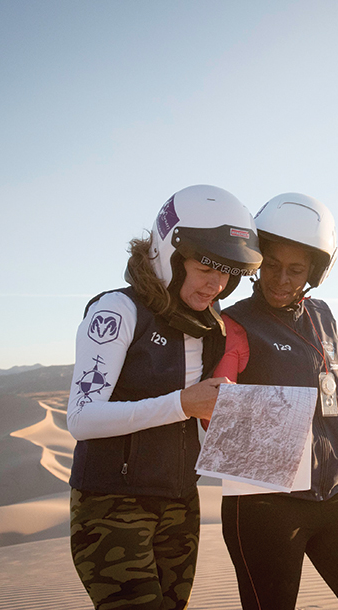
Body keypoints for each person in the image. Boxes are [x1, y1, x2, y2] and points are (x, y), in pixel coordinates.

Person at [66, 184, 262, 610]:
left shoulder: (212, 329)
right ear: (170, 251)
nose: (216, 283)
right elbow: (81, 418)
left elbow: (202, 415)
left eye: (227, 272)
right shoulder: (118, 311)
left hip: (180, 502)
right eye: (206, 265)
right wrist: (182, 404)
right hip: (111, 505)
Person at [213, 193, 338, 610]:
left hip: (336, 493)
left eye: (295, 270)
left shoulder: (324, 316)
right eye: (272, 266)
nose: (281, 279)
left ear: (314, 272)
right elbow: (214, 411)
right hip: (265, 506)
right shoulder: (236, 324)